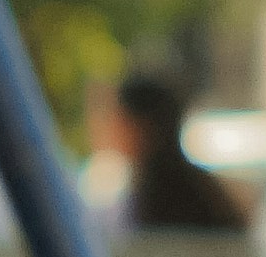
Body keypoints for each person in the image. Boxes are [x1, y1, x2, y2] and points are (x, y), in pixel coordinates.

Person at [105, 67, 252, 239]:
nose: (112, 128)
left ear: (143, 127)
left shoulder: (157, 201)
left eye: (121, 120)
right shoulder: (209, 193)